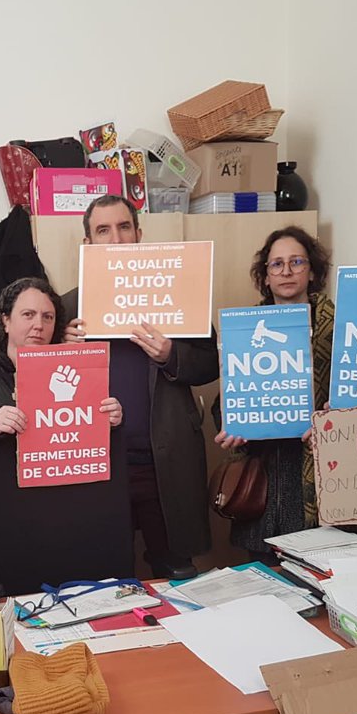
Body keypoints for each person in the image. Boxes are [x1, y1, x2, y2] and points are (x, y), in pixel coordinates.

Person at [62, 195, 219, 578]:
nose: (115, 239)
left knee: (176, 570)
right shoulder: (66, 308)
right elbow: (33, 379)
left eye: (123, 227)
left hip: (161, 461)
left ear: (139, 234)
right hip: (95, 464)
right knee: (99, 570)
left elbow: (211, 364)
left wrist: (171, 355)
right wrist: (63, 352)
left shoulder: (177, 290)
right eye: (103, 230)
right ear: (88, 244)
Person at [0, 278, 122, 562]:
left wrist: (111, 418)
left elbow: (91, 442)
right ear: (6, 321)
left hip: (64, 515)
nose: (39, 324)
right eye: (28, 314)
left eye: (47, 317)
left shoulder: (76, 368)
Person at [212, 226, 334, 561]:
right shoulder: (246, 329)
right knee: (264, 581)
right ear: (265, 277)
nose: (287, 271)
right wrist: (230, 425)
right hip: (263, 479)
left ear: (312, 272)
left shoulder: (339, 327)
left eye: (297, 262)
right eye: (276, 264)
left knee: (317, 578)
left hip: (319, 478)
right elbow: (225, 399)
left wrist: (331, 421)